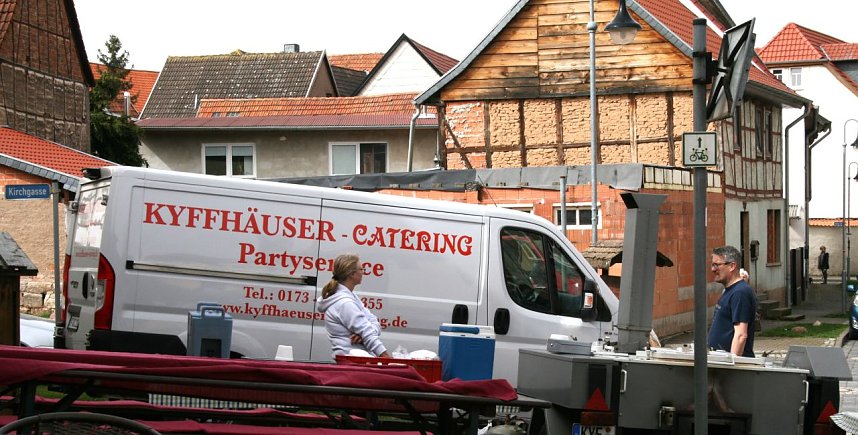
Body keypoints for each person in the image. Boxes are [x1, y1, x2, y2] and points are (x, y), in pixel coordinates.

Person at [317, 253, 390, 358]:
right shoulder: (345, 303)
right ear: (351, 274)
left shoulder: (351, 297)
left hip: (356, 359)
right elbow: (368, 333)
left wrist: (364, 334)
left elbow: (373, 322)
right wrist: (387, 358)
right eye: (361, 269)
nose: (363, 272)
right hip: (352, 361)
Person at [707, 246, 757, 357]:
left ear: (732, 266)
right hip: (720, 360)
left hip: (729, 366)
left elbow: (741, 335)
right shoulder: (731, 290)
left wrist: (732, 367)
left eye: (717, 265)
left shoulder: (740, 293)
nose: (713, 269)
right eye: (712, 265)